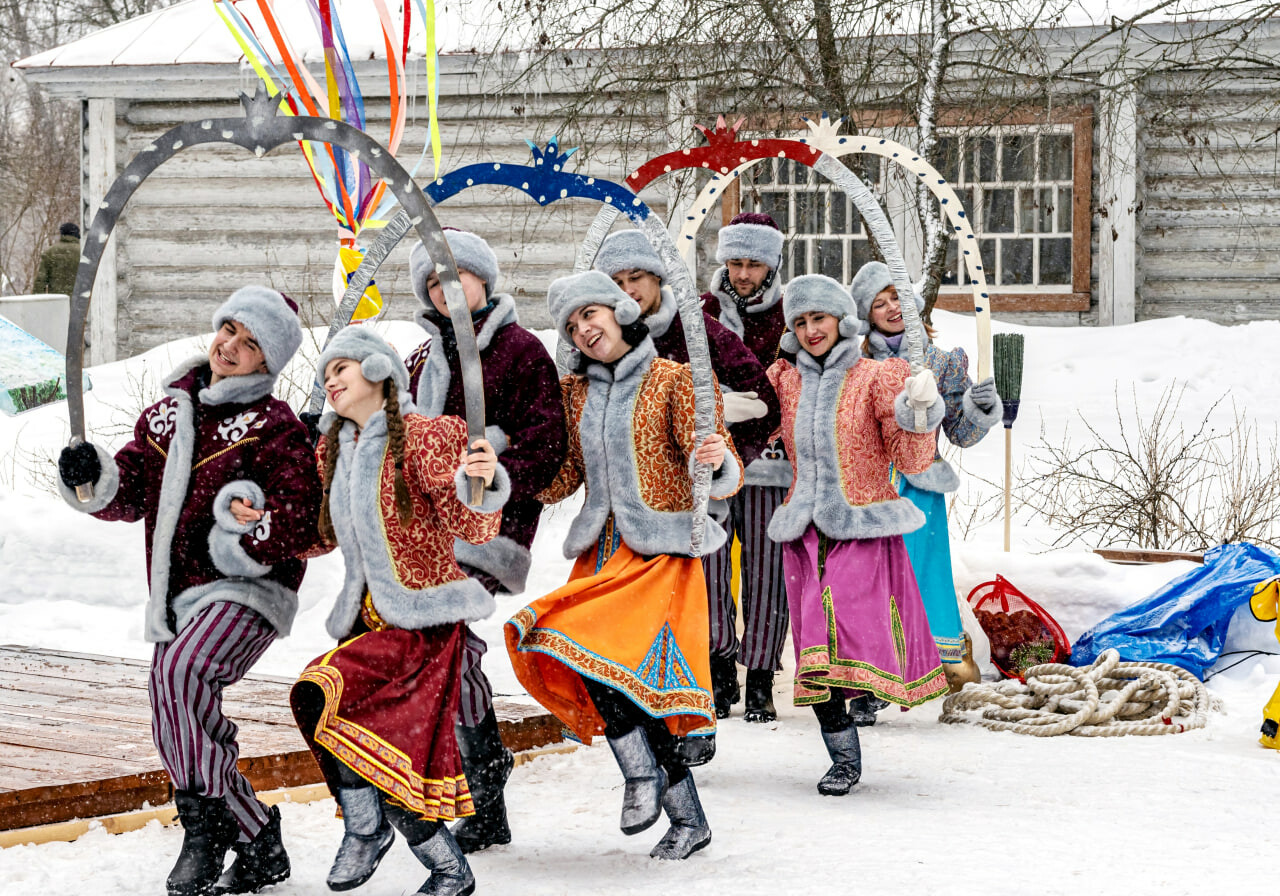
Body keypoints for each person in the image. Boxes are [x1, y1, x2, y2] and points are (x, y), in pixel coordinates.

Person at [56, 286, 321, 896]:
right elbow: (125, 495)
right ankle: (256, 837)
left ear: (268, 361)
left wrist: (246, 524)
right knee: (175, 703)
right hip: (178, 595)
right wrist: (90, 475)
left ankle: (205, 835)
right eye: (230, 329)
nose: (232, 346)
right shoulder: (165, 416)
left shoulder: (274, 428)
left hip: (249, 588)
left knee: (179, 677)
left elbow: (298, 517)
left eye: (251, 343)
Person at [505, 271, 742, 860]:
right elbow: (561, 478)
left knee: (611, 669)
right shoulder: (574, 395)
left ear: (618, 312)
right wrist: (507, 469)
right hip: (600, 552)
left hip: (661, 553)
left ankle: (643, 777)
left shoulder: (676, 381)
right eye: (571, 325)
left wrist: (715, 459)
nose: (584, 330)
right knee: (606, 675)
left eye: (591, 315)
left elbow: (714, 469)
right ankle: (687, 817)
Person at [290, 326, 508, 896]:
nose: (330, 380)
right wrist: (258, 522)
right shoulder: (336, 448)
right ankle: (421, 855)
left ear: (380, 370)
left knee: (332, 703)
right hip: (366, 621)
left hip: (424, 625)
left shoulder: (428, 437)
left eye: (342, 368)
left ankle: (393, 844)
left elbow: (475, 526)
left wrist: (478, 483)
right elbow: (320, 535)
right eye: (325, 373)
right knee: (365, 744)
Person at [403, 229, 567, 853]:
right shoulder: (422, 360)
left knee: (450, 638)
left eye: (456, 278)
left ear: (483, 281)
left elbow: (547, 440)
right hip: (429, 531)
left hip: (493, 525)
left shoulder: (521, 352)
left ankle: (483, 780)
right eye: (433, 284)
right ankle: (482, 779)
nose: (446, 292)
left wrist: (495, 467)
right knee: (446, 646)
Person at [765, 274, 948, 796]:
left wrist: (918, 413)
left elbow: (911, 459)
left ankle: (866, 699)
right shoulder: (784, 378)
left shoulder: (877, 377)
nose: (809, 330)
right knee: (814, 651)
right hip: (803, 531)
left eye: (818, 318)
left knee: (843, 625)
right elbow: (754, 427)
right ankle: (842, 755)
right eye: (799, 322)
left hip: (862, 526)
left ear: (842, 320)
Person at [593, 229, 779, 719]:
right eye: (617, 281)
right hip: (638, 491)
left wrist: (724, 446)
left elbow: (762, 399)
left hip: (707, 479)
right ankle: (711, 671)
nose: (628, 290)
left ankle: (758, 676)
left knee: (758, 573)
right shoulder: (602, 333)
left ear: (656, 278)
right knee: (701, 587)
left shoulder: (694, 328)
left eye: (637, 277)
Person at [851, 261, 1001, 701]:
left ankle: (937, 666)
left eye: (896, 297)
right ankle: (871, 673)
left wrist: (976, 409)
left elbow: (961, 434)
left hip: (920, 491)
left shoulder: (943, 363)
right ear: (867, 315)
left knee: (921, 576)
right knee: (872, 580)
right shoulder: (855, 365)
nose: (891, 308)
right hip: (872, 492)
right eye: (879, 304)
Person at [698, 211, 794, 722]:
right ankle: (718, 667)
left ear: (771, 264)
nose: (742, 273)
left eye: (753, 263)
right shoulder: (701, 311)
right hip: (713, 457)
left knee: (767, 568)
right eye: (734, 262)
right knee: (709, 566)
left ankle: (759, 677)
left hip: (772, 461)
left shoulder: (791, 313)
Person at [33, 222, 80, 297]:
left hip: (57, 301)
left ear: (62, 234)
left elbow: (41, 281)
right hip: (80, 302)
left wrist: (37, 301)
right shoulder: (82, 252)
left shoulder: (50, 252)